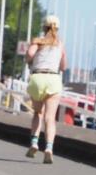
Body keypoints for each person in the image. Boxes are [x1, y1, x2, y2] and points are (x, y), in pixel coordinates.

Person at [25, 15, 67, 164]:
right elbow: (63, 66)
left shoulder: (38, 41)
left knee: (38, 113)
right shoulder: (60, 44)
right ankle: (49, 148)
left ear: (44, 27)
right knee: (50, 118)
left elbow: (30, 54)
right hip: (53, 80)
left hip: (38, 78)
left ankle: (34, 143)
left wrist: (28, 59)